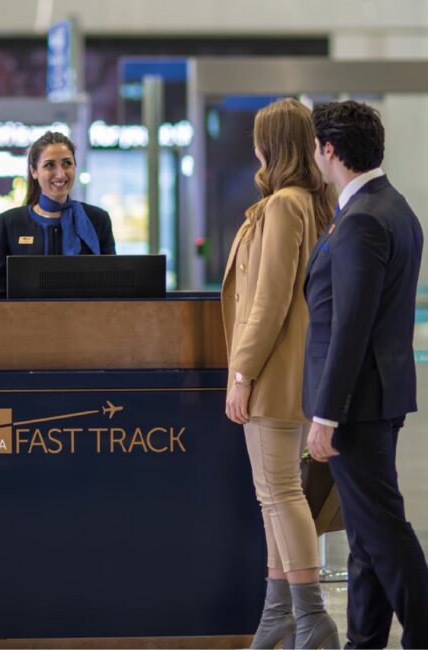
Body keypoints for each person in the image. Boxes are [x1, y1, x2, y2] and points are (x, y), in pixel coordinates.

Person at [305, 100, 428, 649]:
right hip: (380, 394)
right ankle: (365, 640)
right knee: (365, 534)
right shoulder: (393, 206)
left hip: (357, 403)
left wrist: (326, 414)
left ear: (329, 151)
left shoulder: (362, 221)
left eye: (316, 147)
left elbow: (350, 327)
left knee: (381, 531)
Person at [221, 98, 339, 649]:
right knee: (277, 492)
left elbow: (268, 302)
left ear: (272, 145)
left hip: (273, 373)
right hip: (293, 371)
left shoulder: (286, 206)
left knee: (280, 493)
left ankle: (309, 616)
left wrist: (241, 372)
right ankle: (279, 613)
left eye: (258, 137)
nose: (252, 146)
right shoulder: (308, 204)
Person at [0, 131, 116, 298]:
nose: (60, 174)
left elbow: (112, 289)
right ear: (34, 171)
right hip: (25, 322)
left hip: (84, 322)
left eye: (67, 163)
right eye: (49, 165)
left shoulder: (98, 219)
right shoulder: (10, 223)